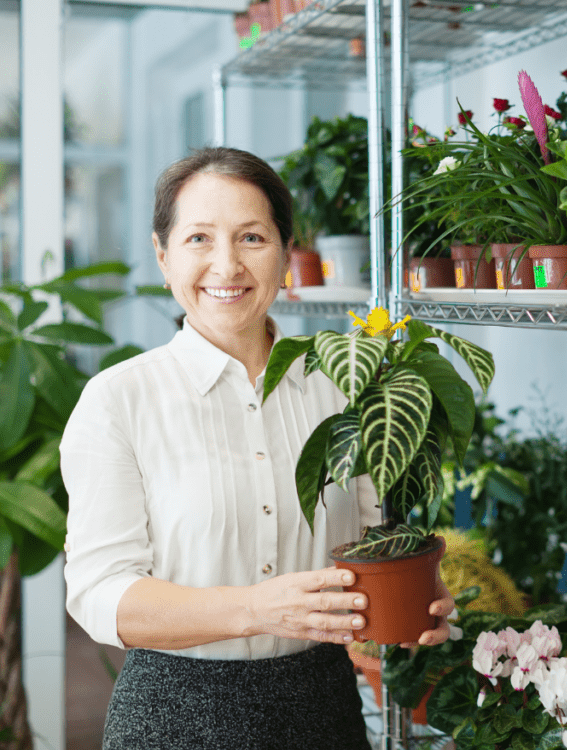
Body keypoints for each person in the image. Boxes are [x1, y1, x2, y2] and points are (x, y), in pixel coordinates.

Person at [61, 147, 455, 750]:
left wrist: (412, 598)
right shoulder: (119, 400)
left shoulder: (342, 386)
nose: (227, 265)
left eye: (251, 237)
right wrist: (255, 609)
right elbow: (101, 595)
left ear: (285, 255)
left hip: (322, 708)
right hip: (173, 716)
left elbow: (375, 540)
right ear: (163, 258)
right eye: (198, 239)